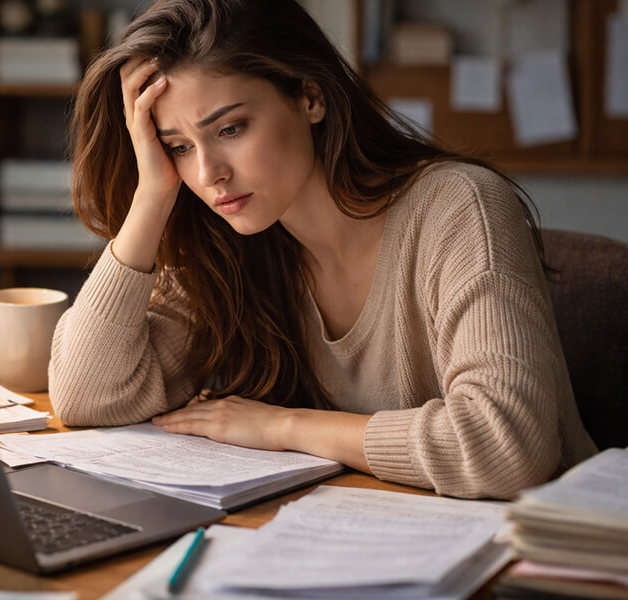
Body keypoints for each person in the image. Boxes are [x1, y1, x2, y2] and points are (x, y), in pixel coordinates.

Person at [48, 0, 596, 499]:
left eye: (232, 128)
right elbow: (88, 396)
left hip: (541, 558)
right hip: (371, 538)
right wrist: (153, 195)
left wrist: (285, 426)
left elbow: (506, 447)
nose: (208, 173)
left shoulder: (459, 207)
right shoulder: (229, 240)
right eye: (179, 147)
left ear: (310, 97)